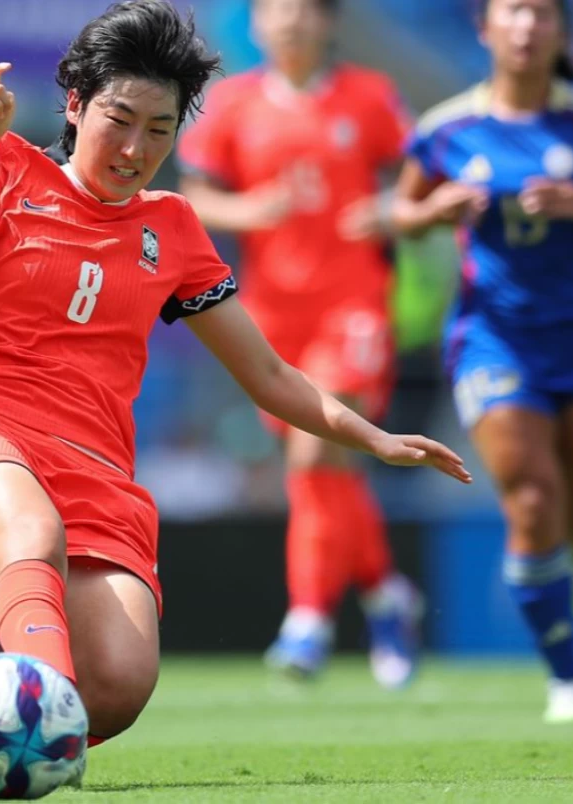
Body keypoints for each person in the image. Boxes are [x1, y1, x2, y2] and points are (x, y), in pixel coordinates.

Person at [0, 1, 470, 791]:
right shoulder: (5, 165)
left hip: (99, 477)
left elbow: (270, 376)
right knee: (29, 539)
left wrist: (372, 437)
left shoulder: (174, 229)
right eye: (120, 119)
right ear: (74, 105)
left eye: (160, 129)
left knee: (118, 682)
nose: (136, 147)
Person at [176, 0, 423, 688]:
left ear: (330, 21)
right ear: (255, 24)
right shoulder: (231, 104)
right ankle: (386, 596)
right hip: (270, 316)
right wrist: (246, 211)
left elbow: (418, 170)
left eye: (307, 9)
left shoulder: (370, 96)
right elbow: (193, 197)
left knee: (318, 451)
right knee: (330, 471)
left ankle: (308, 620)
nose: (292, 21)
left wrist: (389, 210)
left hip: (356, 307)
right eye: (277, 9)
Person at [393, 0, 573, 724]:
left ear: (563, 30)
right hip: (494, 338)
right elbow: (400, 212)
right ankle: (569, 679)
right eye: (514, 11)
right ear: (484, 27)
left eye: (543, 13)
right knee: (533, 496)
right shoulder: (446, 128)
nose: (528, 27)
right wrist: (433, 209)